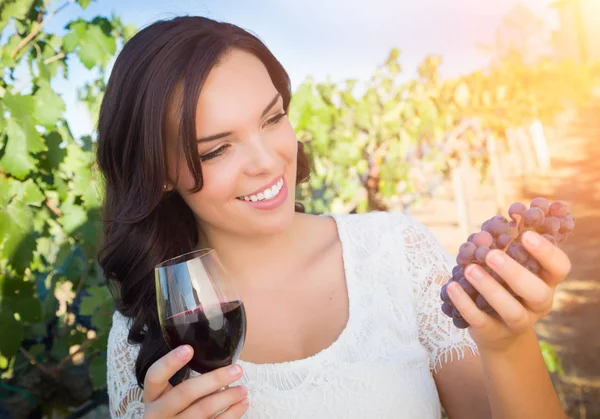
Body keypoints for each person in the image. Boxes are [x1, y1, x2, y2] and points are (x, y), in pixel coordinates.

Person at [97, 15, 571, 419]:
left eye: (272, 118)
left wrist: (507, 345)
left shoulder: (397, 252)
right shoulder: (141, 338)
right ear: (158, 172)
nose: (268, 160)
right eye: (218, 148)